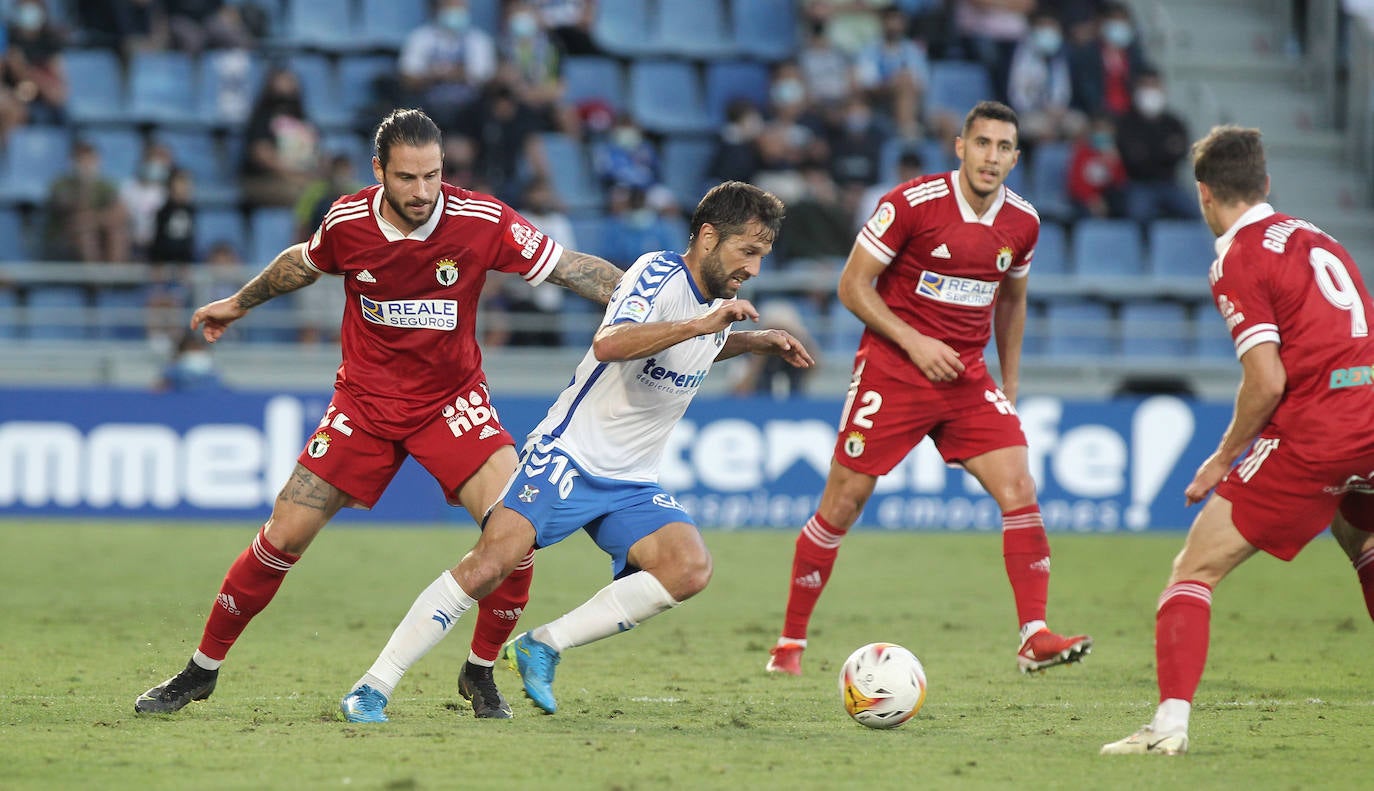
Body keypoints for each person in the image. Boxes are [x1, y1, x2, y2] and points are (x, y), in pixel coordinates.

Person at [133, 108, 626, 720]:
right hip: (363, 406)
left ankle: (479, 672)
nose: (423, 193)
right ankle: (199, 672)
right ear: (379, 173)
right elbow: (300, 264)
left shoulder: (482, 220)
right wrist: (237, 303)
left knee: (514, 540)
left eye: (434, 176)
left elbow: (573, 268)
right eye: (408, 178)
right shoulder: (348, 221)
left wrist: (647, 300)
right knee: (280, 539)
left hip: (452, 404)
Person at [338, 181, 813, 722]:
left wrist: (755, 340)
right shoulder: (656, 273)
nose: (754, 267)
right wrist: (700, 323)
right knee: (492, 562)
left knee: (688, 567)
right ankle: (373, 685)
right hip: (569, 456)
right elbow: (610, 343)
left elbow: (700, 343)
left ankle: (542, 645)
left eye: (762, 256)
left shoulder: (718, 303)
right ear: (708, 237)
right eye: (747, 251)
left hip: (632, 479)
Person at [764, 101, 1092, 677]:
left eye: (1004, 147)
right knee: (842, 504)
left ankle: (1034, 636)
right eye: (983, 143)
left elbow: (1012, 301)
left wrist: (1008, 383)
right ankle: (789, 644)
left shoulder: (1024, 223)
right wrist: (914, 342)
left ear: (1016, 157)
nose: (992, 157)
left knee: (1019, 484)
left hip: (966, 377)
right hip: (893, 370)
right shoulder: (911, 204)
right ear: (961, 147)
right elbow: (852, 286)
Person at [1100, 126, 1374, 756]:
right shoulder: (1317, 236)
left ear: (1204, 195)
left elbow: (1267, 378)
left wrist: (1224, 457)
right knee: (1361, 539)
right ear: (1266, 184)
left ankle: (1167, 729)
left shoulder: (1237, 257)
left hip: (1321, 427)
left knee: (1192, 571)